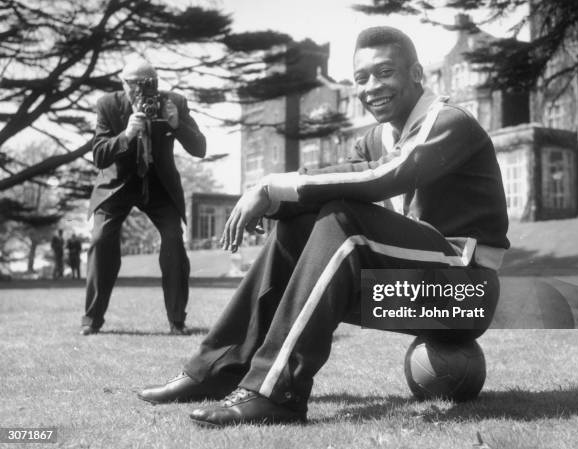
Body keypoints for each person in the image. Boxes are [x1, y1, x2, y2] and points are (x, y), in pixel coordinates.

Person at [138, 27, 509, 427]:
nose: (371, 87)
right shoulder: (373, 139)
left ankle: (276, 392)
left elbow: (387, 175)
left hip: (465, 294)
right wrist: (280, 206)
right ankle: (215, 369)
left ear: (417, 73)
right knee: (299, 226)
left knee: (343, 222)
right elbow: (341, 179)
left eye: (385, 72)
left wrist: (272, 186)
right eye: (362, 78)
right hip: (410, 287)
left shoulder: (451, 121)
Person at [80, 56, 207, 336]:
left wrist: (176, 124)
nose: (140, 92)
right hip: (118, 183)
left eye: (148, 85)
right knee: (101, 240)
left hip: (158, 184)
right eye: (134, 86)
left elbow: (200, 148)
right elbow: (99, 156)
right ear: (123, 84)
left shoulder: (174, 102)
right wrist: (125, 135)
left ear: (157, 83)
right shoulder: (108, 105)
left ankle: (177, 321)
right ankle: (91, 320)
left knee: (173, 239)